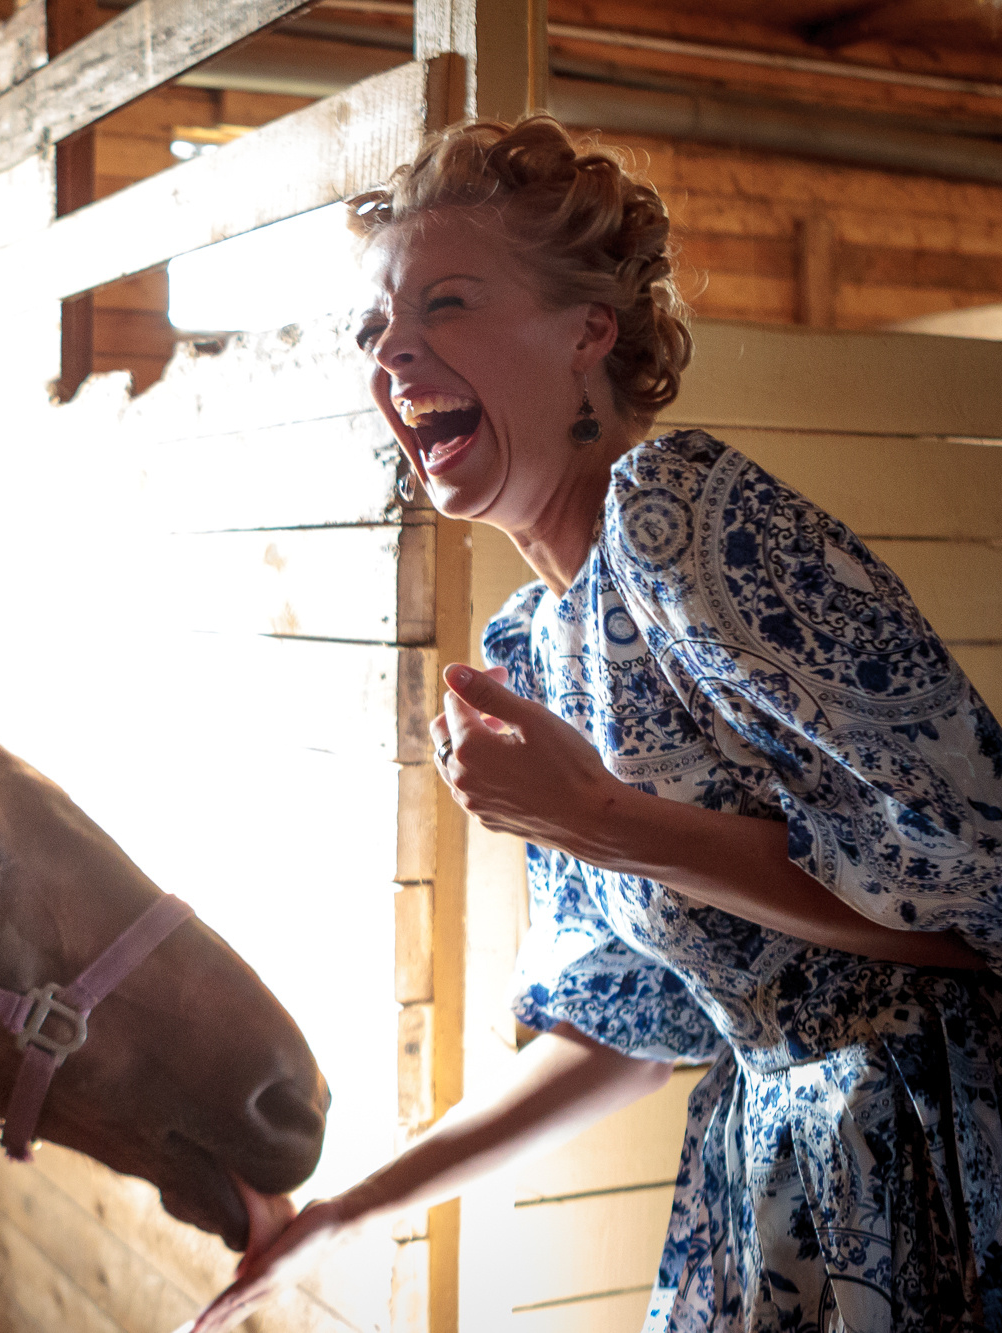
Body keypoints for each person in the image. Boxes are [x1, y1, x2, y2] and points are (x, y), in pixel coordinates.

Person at [191, 115, 1002, 1333]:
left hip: (948, 1141)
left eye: (444, 306)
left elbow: (977, 894)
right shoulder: (533, 648)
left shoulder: (675, 513)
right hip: (779, 1176)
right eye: (374, 329)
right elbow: (626, 1026)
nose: (391, 356)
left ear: (587, 333)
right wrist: (346, 1212)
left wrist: (599, 820)